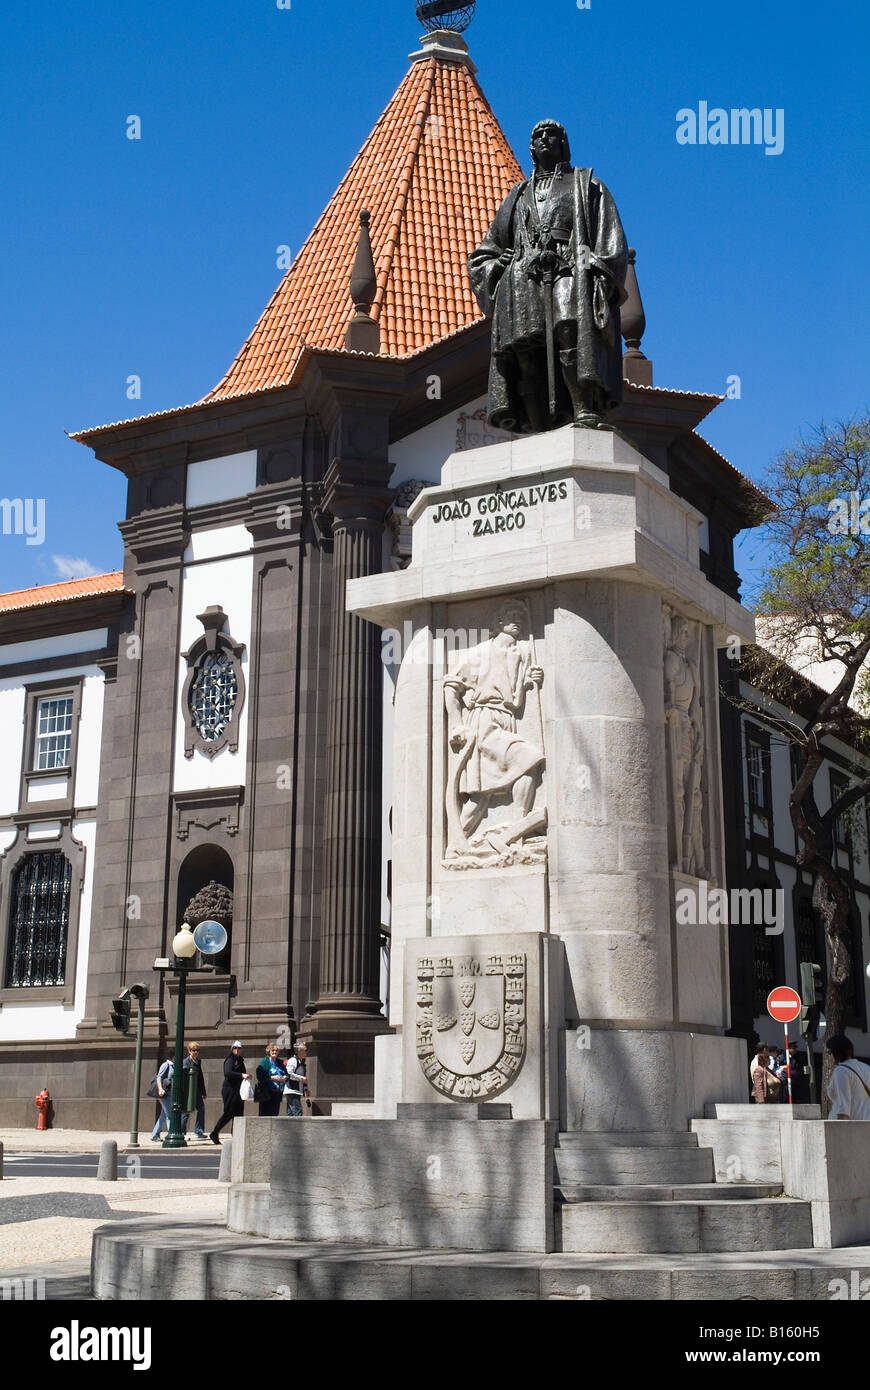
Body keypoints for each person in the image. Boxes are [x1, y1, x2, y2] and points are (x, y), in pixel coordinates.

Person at [468, 119, 627, 435]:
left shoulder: (587, 185)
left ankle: (582, 408)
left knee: (569, 327)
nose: (543, 140)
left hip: (570, 271)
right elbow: (485, 253)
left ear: (563, 143)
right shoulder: (518, 195)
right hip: (524, 277)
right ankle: (539, 426)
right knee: (525, 349)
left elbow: (610, 242)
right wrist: (502, 264)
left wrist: (587, 266)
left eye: (550, 135)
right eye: (537, 136)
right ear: (530, 148)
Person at [443, 598, 545, 859]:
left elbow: (516, 695)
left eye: (520, 616)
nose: (517, 621)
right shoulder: (481, 652)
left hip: (507, 718)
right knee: (528, 761)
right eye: (510, 615)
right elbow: (451, 685)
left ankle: (460, 845)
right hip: (484, 721)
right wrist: (456, 723)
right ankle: (517, 831)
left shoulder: (523, 653)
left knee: (481, 797)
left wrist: (530, 681)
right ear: (498, 622)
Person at [209, 1041, 250, 1144]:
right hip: (229, 1089)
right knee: (229, 1113)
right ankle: (215, 1132)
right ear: (232, 1049)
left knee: (239, 1113)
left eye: (239, 1048)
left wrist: (247, 1076)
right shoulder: (230, 1060)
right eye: (235, 1048)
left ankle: (236, 1134)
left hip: (238, 1090)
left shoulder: (240, 1060)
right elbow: (227, 1073)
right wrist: (241, 1075)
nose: (237, 1050)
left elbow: (243, 1072)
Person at [825, 1034, 870, 1120]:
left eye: (829, 1052)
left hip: (852, 1127)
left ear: (836, 1052)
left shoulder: (841, 1071)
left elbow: (843, 1108)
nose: (829, 1056)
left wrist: (842, 1132)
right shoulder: (866, 1067)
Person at [181, 1042, 207, 1139]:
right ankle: (182, 1132)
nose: (195, 1052)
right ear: (189, 1051)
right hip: (188, 1091)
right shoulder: (186, 1062)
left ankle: (199, 1131)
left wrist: (203, 1092)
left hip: (197, 1090)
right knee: (186, 1112)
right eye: (193, 1050)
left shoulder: (198, 1062)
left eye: (197, 1050)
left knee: (201, 1109)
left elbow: (201, 1078)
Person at [256, 1042, 288, 1117]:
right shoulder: (265, 1061)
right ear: (269, 1051)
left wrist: (285, 1078)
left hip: (277, 1092)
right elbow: (259, 1076)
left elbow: (287, 1074)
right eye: (273, 1050)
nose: (275, 1052)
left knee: (275, 1114)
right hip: (266, 1092)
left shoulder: (280, 1062)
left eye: (276, 1050)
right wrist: (272, 1078)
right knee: (264, 1115)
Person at [150, 1056, 173, 1142]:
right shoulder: (166, 1065)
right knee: (169, 1115)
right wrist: (160, 1089)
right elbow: (159, 1077)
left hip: (170, 1094)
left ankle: (155, 1135)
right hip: (164, 1093)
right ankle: (171, 1134)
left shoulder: (173, 1066)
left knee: (163, 1115)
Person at [283, 1042, 308, 1117]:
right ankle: (297, 1128)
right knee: (297, 1113)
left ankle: (289, 1128)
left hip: (296, 1091)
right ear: (300, 1051)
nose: (307, 1051)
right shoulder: (293, 1060)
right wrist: (301, 1078)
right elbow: (289, 1074)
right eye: (305, 1050)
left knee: (291, 1114)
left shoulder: (301, 1062)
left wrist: (306, 1089)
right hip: (292, 1090)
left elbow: (303, 1077)